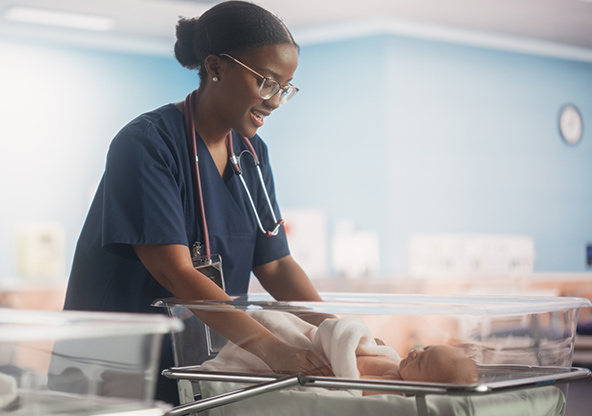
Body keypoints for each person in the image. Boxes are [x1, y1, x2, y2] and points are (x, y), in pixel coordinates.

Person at [63, 1, 332, 405]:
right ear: (216, 67)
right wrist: (272, 349)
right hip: (119, 366)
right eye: (266, 81)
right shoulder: (147, 144)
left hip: (202, 364)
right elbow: (174, 272)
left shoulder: (252, 155)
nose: (274, 101)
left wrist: (340, 331)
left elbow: (276, 264)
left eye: (284, 88)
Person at [356, 345, 479, 395]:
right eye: (425, 348)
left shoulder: (395, 385)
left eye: (420, 362)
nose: (416, 351)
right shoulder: (400, 367)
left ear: (422, 387)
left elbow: (357, 383)